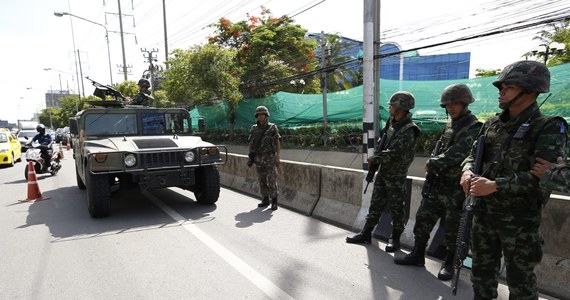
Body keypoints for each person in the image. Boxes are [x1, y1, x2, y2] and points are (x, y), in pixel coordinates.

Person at [460, 60, 567, 300]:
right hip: (483, 214)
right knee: (481, 276)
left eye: (508, 87)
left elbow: (543, 177)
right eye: (501, 87)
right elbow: (472, 155)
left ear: (529, 91)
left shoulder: (547, 127)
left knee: (521, 284)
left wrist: (495, 185)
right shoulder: (491, 125)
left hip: (519, 222)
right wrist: (466, 172)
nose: (501, 91)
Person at [394, 84, 482, 281]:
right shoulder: (449, 125)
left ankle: (450, 263)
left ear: (465, 103)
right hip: (437, 184)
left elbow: (459, 153)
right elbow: (441, 148)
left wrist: (433, 162)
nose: (451, 108)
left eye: (455, 104)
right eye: (448, 104)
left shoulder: (474, 127)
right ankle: (418, 254)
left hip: (456, 188)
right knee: (423, 219)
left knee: (453, 229)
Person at [346, 91, 420, 252]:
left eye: (392, 105)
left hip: (396, 175)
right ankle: (366, 233)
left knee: (396, 208)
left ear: (400, 107)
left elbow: (396, 152)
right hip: (384, 171)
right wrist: (378, 154)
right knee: (376, 203)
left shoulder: (410, 129)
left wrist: (376, 158)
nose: (390, 108)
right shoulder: (392, 122)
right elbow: (384, 139)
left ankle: (395, 238)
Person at [248, 106, 281, 210]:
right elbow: (251, 143)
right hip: (258, 158)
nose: (260, 116)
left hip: (270, 157)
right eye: (259, 115)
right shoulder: (254, 128)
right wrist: (250, 156)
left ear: (266, 115)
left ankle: (274, 201)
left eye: (262, 114)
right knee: (261, 180)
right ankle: (265, 199)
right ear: (256, 116)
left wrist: (278, 156)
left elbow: (277, 141)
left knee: (272, 180)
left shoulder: (272, 127)